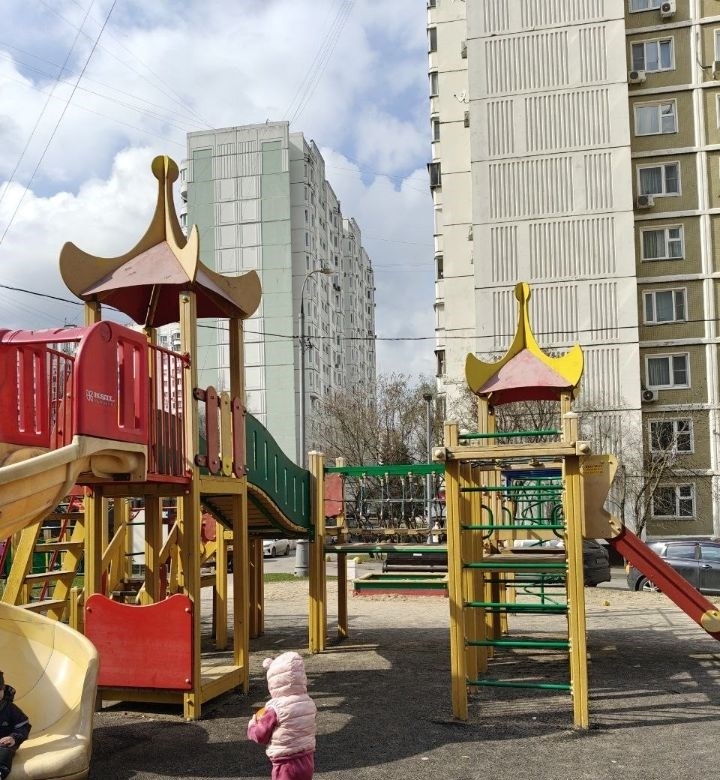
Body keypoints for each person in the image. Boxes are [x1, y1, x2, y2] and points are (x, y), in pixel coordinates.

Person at [247, 651, 316, 780]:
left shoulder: (275, 709)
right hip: (307, 758)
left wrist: (252, 726)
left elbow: (260, 736)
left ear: (274, 682)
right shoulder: (309, 703)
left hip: (285, 762)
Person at [0, 671, 31, 780]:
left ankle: (1, 771)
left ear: (3, 690)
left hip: (4, 743)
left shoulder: (10, 708)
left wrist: (14, 737)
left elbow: (23, 726)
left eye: (0, 690)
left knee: (4, 750)